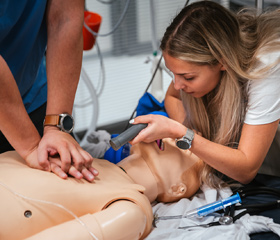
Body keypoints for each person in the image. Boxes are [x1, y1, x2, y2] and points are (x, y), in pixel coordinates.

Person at [129, 1, 280, 238]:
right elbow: (172, 96)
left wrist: (183, 135)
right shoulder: (199, 62)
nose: (178, 84)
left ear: (221, 61)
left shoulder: (267, 66)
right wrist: (192, 133)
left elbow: (246, 169)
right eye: (174, 75)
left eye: (187, 77)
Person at [0, 138, 203, 240]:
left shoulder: (131, 207)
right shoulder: (87, 158)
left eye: (186, 146)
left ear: (178, 189)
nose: (174, 136)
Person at [0, 0, 97, 182]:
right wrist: (30, 147)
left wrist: (56, 127)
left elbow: (65, 19)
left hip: (32, 98)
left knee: (68, 180)